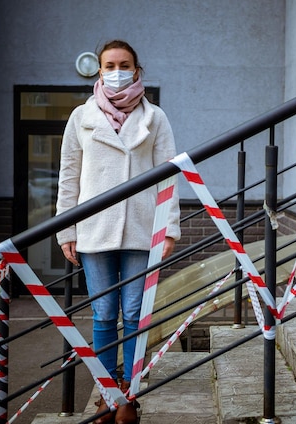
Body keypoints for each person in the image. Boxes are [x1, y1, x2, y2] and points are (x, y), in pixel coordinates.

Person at [56, 39, 180, 424]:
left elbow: (170, 177)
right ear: (100, 71)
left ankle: (130, 394)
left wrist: (170, 228)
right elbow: (69, 176)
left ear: (137, 70)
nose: (117, 71)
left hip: (142, 229)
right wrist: (66, 229)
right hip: (94, 230)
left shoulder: (155, 118)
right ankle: (107, 396)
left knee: (134, 312)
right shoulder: (81, 117)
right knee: (104, 312)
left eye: (124, 64)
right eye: (110, 65)